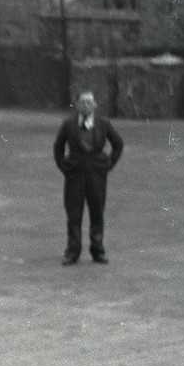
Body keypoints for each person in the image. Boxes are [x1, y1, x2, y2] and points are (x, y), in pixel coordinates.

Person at [53, 89, 124, 266]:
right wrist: (64, 167)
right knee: (74, 214)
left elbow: (118, 144)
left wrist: (108, 164)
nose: (86, 105)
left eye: (89, 102)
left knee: (97, 212)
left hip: (96, 175)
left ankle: (98, 250)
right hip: (74, 176)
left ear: (95, 105)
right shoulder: (68, 124)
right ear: (76, 105)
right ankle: (72, 251)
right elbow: (58, 147)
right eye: (83, 102)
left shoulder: (103, 124)